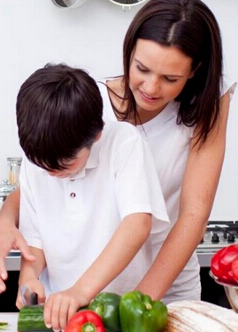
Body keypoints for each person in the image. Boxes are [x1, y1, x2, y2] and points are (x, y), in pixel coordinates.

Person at [0, 0, 235, 308]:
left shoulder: (196, 110)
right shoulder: (86, 105)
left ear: (194, 71)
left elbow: (192, 215)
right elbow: (40, 183)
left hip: (162, 286)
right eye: (141, 68)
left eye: (170, 78)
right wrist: (6, 222)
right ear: (129, 51)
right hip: (81, 300)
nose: (151, 88)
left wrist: (134, 308)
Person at [13, 63, 168, 329]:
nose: (50, 174)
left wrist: (80, 291)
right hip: (62, 319)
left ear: (96, 135)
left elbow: (137, 223)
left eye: (62, 165)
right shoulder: (38, 160)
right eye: (42, 165)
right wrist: (28, 278)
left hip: (122, 315)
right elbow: (34, 240)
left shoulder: (124, 143)